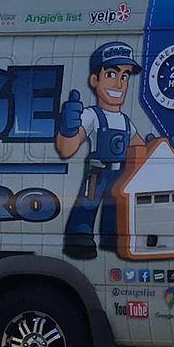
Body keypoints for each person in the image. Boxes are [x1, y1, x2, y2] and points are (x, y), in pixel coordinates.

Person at [56, 42, 152, 259]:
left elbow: (140, 150)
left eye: (125, 76)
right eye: (111, 74)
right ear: (94, 80)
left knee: (116, 209)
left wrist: (165, 153)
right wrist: (67, 128)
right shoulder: (91, 115)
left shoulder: (126, 122)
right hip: (97, 171)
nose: (119, 83)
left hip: (121, 173)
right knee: (87, 205)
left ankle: (112, 241)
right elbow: (67, 149)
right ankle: (78, 241)